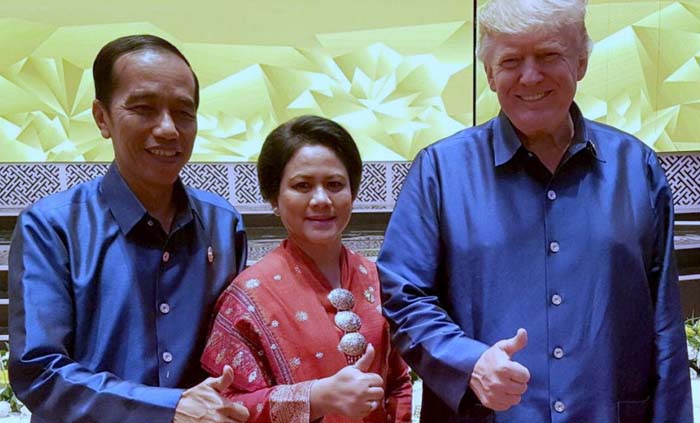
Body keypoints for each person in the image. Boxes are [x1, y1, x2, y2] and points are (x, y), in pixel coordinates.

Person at [377, 0, 693, 422]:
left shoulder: (637, 169)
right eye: (511, 60)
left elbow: (665, 327)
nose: (530, 76)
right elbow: (403, 296)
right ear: (489, 75)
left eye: (548, 55)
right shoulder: (440, 171)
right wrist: (468, 362)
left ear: (580, 63)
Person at [9, 34, 249, 423]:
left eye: (184, 112)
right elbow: (38, 372)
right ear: (101, 118)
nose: (169, 129)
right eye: (144, 108)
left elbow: (234, 354)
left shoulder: (223, 224)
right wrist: (169, 409)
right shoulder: (51, 226)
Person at [200, 115, 412, 423]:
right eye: (302, 186)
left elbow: (399, 380)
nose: (322, 199)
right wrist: (315, 397)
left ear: (352, 192)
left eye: (335, 184)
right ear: (274, 198)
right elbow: (222, 405)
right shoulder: (247, 297)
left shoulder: (379, 278)